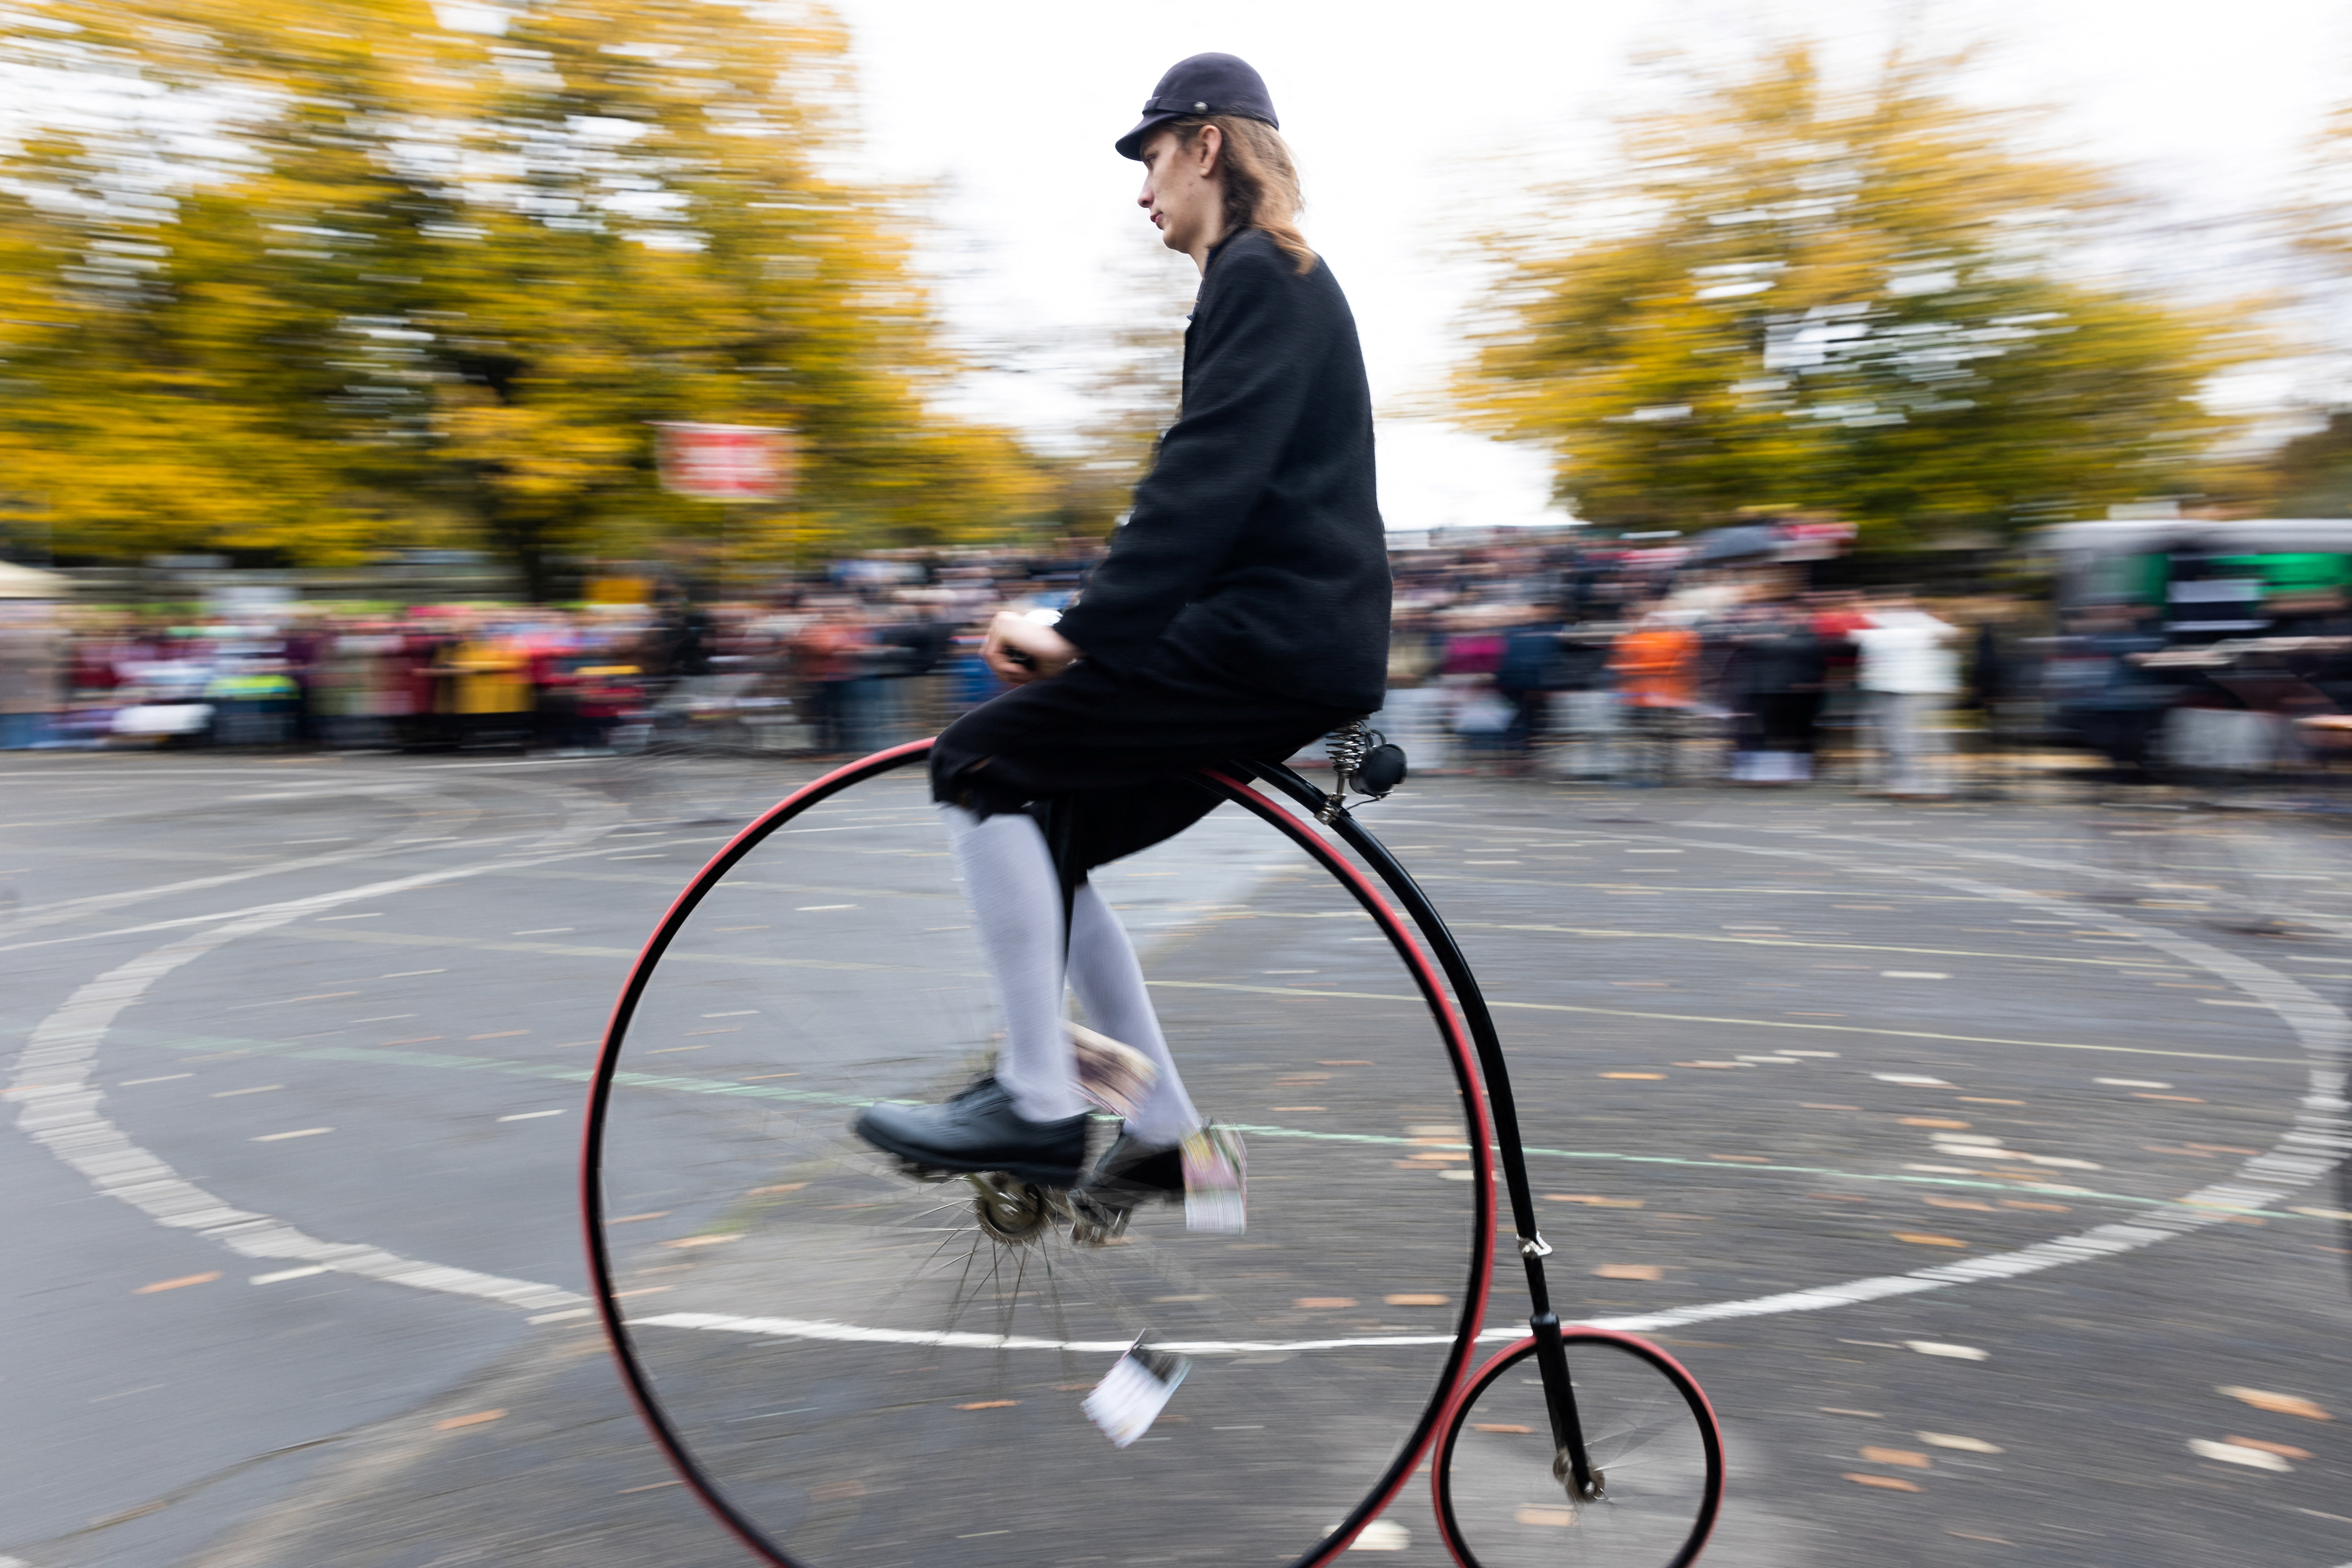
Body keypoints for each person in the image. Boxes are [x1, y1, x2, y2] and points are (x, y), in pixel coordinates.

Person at [849, 55, 1388, 1215]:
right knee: (1055, 826)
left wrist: (1083, 634)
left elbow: (1202, 483)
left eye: (1151, 159)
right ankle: (1175, 1145)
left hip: (1271, 636)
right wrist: (1086, 627)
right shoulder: (1267, 280)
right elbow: (1206, 485)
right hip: (1279, 637)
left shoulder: (1264, 274)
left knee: (976, 760)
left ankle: (1040, 1099)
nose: (1142, 189)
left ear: (1206, 145)